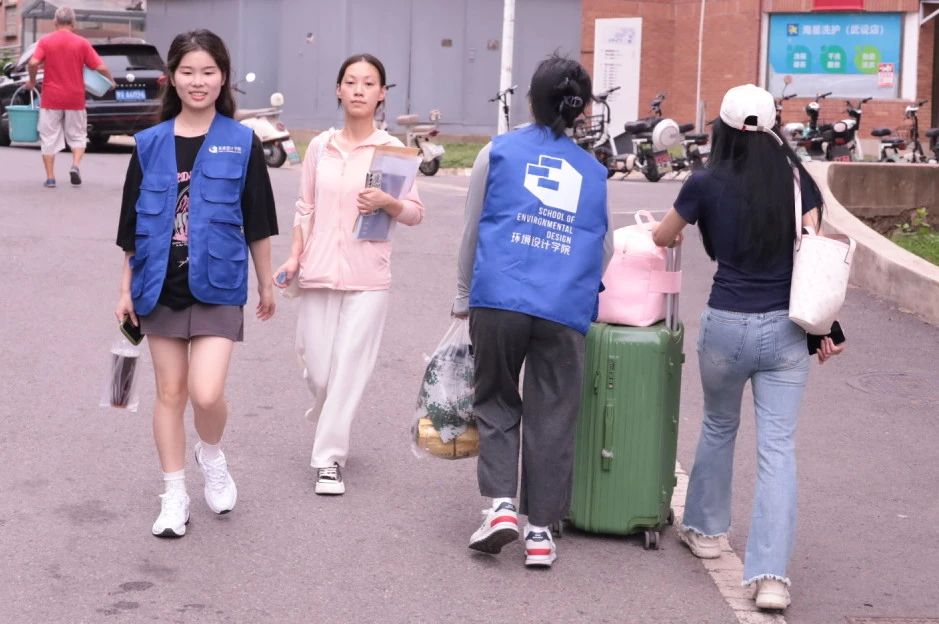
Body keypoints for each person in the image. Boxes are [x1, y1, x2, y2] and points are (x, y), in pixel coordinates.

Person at [651, 84, 845, 610]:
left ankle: (705, 531)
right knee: (777, 448)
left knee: (719, 425)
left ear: (723, 129)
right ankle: (771, 578)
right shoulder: (799, 184)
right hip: (786, 331)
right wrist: (826, 328)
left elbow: (663, 236)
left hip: (727, 326)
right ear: (774, 127)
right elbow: (815, 261)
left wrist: (674, 231)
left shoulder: (705, 181)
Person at [114, 29, 277, 538]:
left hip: (219, 282)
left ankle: (211, 453)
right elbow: (130, 229)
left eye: (208, 71)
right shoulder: (149, 144)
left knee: (206, 394)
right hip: (158, 286)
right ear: (172, 77)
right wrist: (125, 289)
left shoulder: (242, 141)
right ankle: (174, 494)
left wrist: (266, 283)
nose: (198, 81)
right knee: (170, 392)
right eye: (187, 71)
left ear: (223, 77)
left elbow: (258, 220)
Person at [453, 54, 612, 568]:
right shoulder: (594, 171)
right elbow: (604, 248)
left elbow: (473, 230)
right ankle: (540, 533)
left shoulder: (498, 151)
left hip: (500, 297)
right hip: (564, 307)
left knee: (497, 399)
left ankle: (501, 506)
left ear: (530, 100)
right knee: (554, 414)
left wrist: (462, 295)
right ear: (581, 109)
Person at [273, 53, 423, 496]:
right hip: (317, 270)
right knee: (319, 371)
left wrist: (388, 203)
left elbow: (414, 212)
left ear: (382, 94)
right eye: (351, 81)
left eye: (369, 83)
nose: (359, 89)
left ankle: (328, 460)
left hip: (368, 277)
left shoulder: (391, 150)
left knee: (348, 371)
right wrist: (294, 257)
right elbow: (305, 207)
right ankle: (329, 416)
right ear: (338, 89)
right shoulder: (321, 147)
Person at [24, 5, 114, 188]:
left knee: (48, 138)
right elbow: (101, 67)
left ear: (55, 22)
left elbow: (33, 63)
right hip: (75, 98)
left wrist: (32, 81)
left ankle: (50, 178)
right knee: (78, 136)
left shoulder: (46, 41)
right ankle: (75, 166)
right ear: (73, 22)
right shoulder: (82, 43)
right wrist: (111, 81)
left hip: (51, 98)